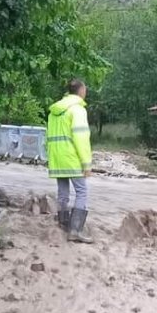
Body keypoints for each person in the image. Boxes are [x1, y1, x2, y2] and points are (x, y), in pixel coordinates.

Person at [47, 79, 93, 243]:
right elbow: (81, 137)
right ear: (81, 91)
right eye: (85, 89)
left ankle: (63, 224)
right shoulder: (77, 110)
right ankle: (75, 230)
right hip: (72, 158)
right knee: (81, 191)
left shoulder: (54, 111)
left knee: (63, 192)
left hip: (57, 159)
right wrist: (86, 163)